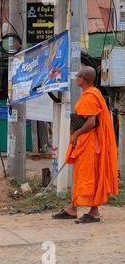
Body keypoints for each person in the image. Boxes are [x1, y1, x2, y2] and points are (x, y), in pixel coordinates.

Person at [52, 66, 118, 224]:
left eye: (78, 76)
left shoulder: (90, 96)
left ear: (83, 79)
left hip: (90, 144)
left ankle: (93, 212)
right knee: (82, 176)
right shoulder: (93, 93)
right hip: (88, 143)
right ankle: (73, 208)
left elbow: (91, 122)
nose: (76, 78)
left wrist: (76, 134)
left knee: (88, 177)